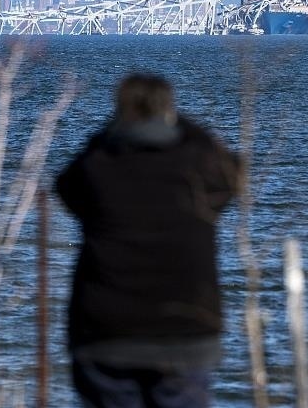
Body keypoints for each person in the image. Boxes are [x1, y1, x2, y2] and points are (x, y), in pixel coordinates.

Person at [56, 73, 239, 408]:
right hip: (186, 333)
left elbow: (66, 185)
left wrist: (111, 131)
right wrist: (184, 124)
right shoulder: (200, 171)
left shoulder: (98, 169)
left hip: (107, 332)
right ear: (168, 110)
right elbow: (234, 171)